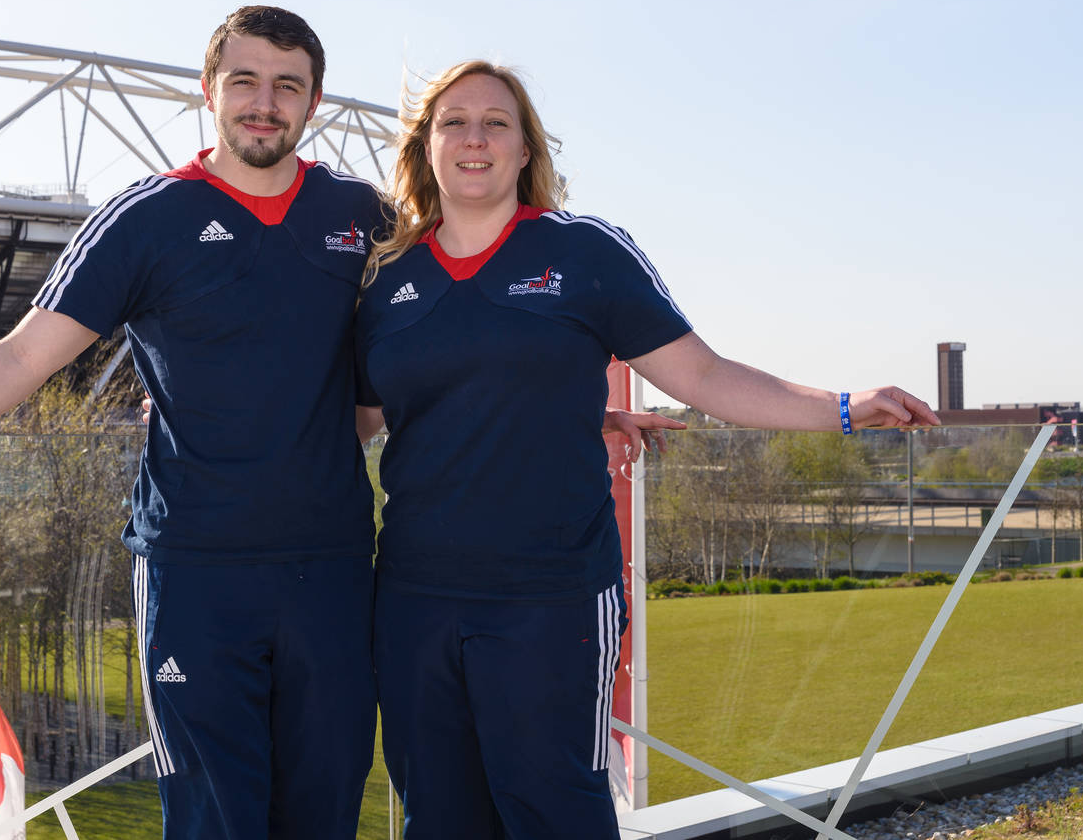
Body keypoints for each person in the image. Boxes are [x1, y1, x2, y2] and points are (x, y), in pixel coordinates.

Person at [0, 5, 389, 840]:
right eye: (244, 80)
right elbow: (21, 359)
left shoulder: (364, 216)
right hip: (198, 571)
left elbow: (453, 338)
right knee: (216, 820)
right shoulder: (147, 218)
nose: (264, 102)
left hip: (332, 567)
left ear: (313, 103)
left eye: (287, 86)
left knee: (323, 814)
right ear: (207, 90)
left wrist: (582, 408)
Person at [354, 60, 940, 840]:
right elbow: (359, 418)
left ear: (526, 149)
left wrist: (843, 408)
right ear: (424, 145)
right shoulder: (390, 276)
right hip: (415, 599)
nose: (475, 138)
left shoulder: (585, 254)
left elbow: (702, 373)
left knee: (556, 812)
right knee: (440, 818)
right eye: (454, 121)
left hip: (550, 597)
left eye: (497, 122)